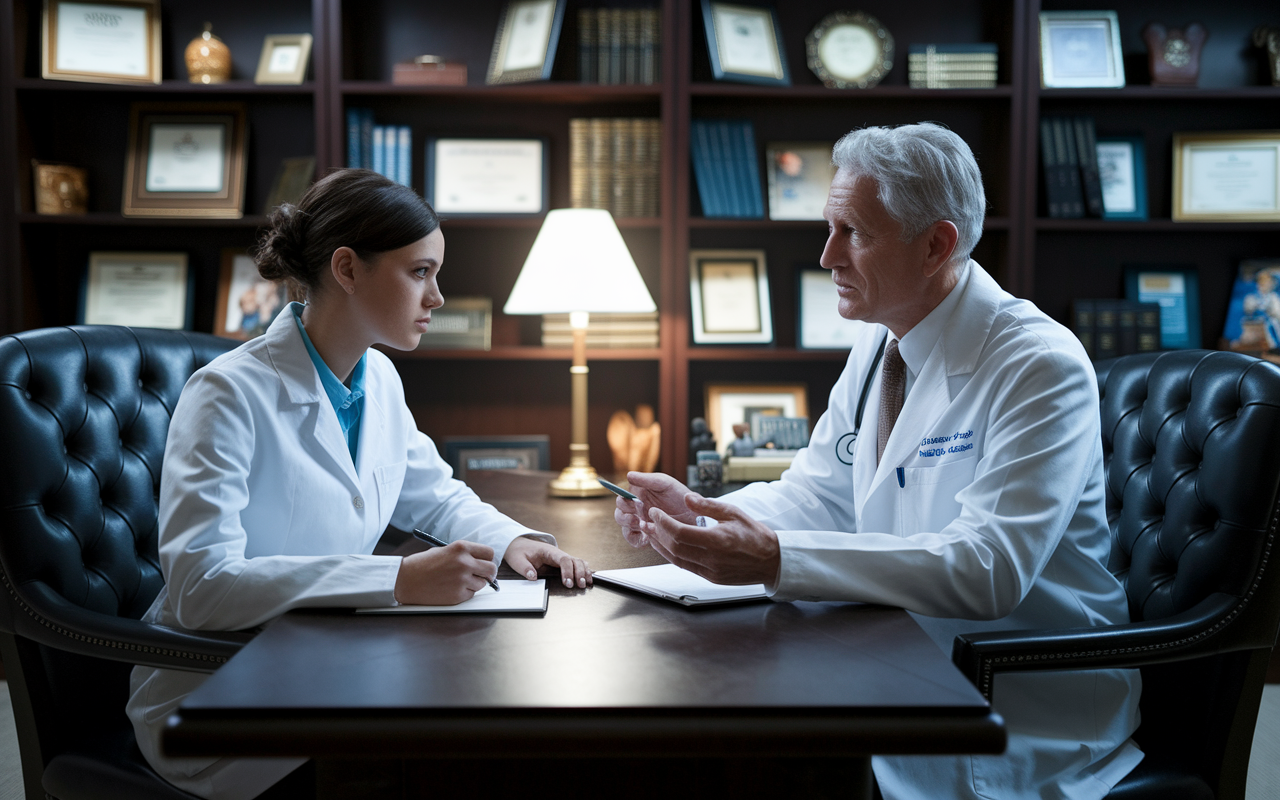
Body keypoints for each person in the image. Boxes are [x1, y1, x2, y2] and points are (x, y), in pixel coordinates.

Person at [614, 124, 1142, 800]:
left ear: (935, 245)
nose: (827, 254)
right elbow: (819, 492)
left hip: (1013, 706)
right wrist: (707, 514)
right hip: (896, 669)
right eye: (829, 227)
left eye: (853, 233)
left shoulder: (1038, 364)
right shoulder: (879, 344)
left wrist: (775, 559)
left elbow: (989, 570)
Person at [127, 169, 592, 800]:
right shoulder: (226, 394)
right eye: (420, 272)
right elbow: (200, 590)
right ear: (348, 269)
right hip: (219, 693)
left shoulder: (377, 377)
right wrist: (396, 580)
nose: (438, 297)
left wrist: (511, 539)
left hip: (327, 660)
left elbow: (432, 489)